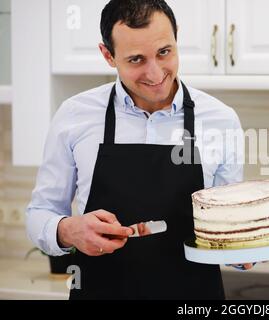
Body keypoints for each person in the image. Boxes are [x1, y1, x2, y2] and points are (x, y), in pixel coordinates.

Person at [26, 0, 254, 300]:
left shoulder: (220, 120)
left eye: (164, 52)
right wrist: (68, 230)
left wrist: (245, 247)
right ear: (108, 55)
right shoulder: (74, 115)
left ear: (177, 39)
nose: (155, 72)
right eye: (136, 59)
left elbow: (227, 231)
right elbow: (40, 212)